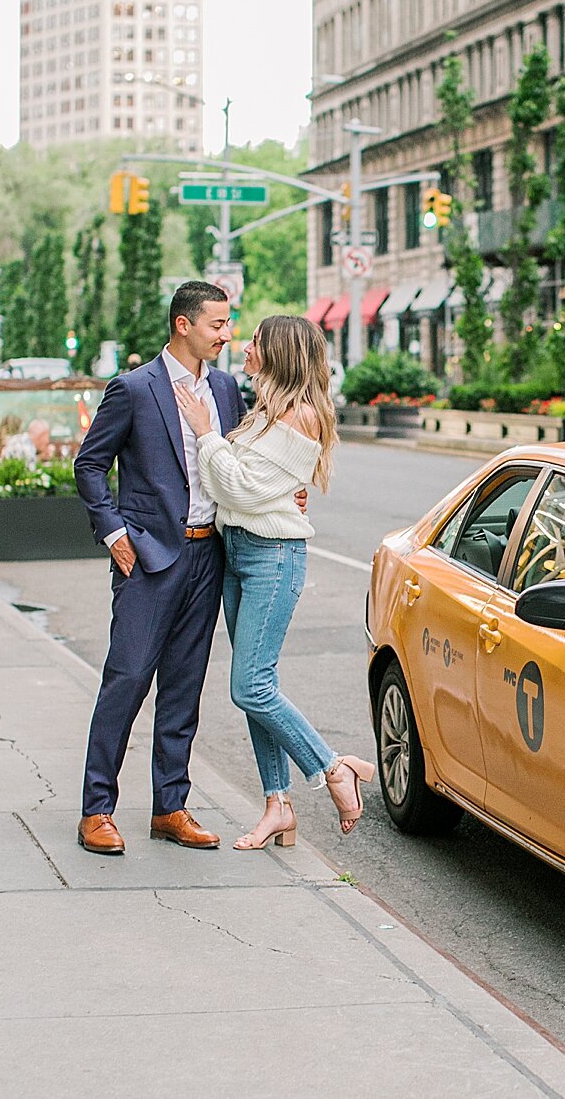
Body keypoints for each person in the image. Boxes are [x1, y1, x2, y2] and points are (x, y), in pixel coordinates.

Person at [174, 315, 374, 848]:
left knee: (250, 687)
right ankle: (277, 806)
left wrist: (205, 434)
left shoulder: (302, 416)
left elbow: (238, 487)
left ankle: (333, 768)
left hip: (272, 559)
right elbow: (236, 489)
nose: (244, 346)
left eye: (255, 341)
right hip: (237, 553)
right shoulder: (263, 413)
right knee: (257, 686)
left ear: (278, 351)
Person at [73, 281, 246, 855]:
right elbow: (90, 465)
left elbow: (238, 464)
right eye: (217, 324)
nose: (226, 334)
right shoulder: (134, 389)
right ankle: (96, 809)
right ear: (183, 324)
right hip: (148, 558)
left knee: (184, 687)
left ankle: (169, 806)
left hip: (206, 553)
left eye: (227, 324)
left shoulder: (224, 388)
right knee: (126, 680)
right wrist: (115, 532)